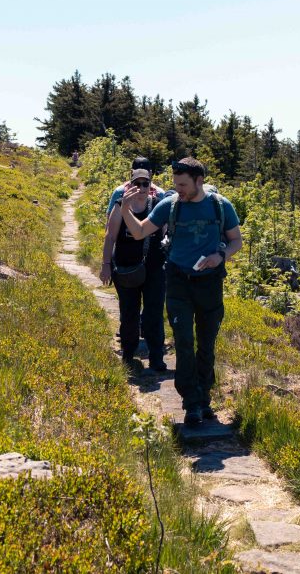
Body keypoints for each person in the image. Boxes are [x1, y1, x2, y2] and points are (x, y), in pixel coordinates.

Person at [120, 157, 242, 426]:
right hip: (177, 281)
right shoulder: (170, 205)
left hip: (210, 283)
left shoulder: (220, 207)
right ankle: (191, 404)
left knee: (207, 345)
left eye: (183, 184)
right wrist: (126, 208)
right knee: (184, 342)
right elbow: (140, 232)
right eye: (176, 184)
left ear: (199, 181)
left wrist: (220, 256)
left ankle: (204, 397)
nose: (179, 190)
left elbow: (236, 241)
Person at [100, 168, 167, 371]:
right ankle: (128, 355)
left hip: (154, 268)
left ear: (151, 186)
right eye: (137, 184)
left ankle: (156, 357)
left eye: (145, 184)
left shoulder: (156, 206)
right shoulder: (120, 206)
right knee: (128, 312)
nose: (141, 188)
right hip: (126, 267)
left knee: (153, 313)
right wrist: (106, 266)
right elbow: (110, 237)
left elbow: (164, 235)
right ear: (129, 186)